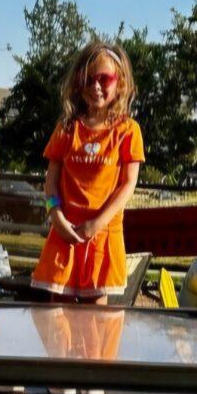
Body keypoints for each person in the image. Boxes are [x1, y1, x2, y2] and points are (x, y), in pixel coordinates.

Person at [31, 41, 144, 303]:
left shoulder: (128, 131)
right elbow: (51, 182)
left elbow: (128, 185)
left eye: (104, 79)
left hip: (102, 238)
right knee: (56, 315)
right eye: (88, 79)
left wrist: (97, 223)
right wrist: (55, 216)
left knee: (97, 318)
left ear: (120, 83)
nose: (95, 86)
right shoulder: (67, 127)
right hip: (65, 234)